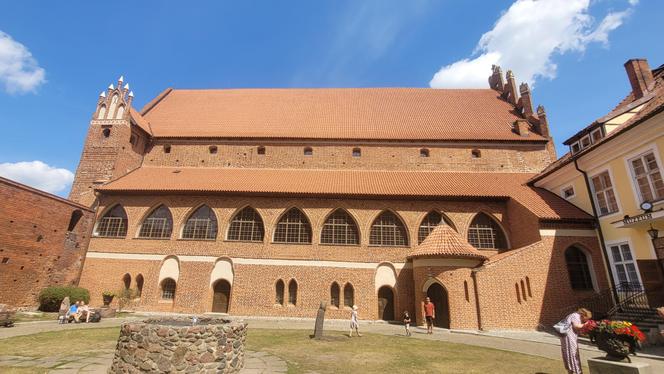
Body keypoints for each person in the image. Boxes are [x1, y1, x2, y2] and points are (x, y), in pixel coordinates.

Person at [560, 308, 592, 374]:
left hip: (565, 336)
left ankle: (571, 371)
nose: (586, 320)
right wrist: (587, 324)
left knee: (568, 353)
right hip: (568, 337)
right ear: (584, 315)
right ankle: (578, 372)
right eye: (587, 318)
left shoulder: (572, 315)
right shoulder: (575, 316)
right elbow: (576, 326)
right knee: (573, 353)